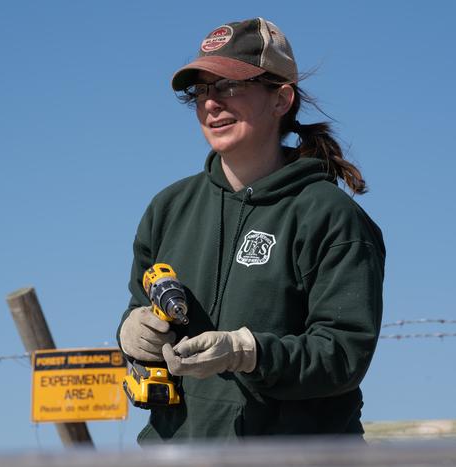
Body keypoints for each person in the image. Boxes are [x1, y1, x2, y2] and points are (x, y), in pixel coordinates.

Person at [117, 17, 385, 442]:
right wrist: (132, 334)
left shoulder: (329, 216)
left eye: (229, 87)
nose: (211, 104)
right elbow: (136, 309)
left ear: (281, 99)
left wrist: (248, 353)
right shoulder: (168, 209)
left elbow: (343, 355)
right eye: (201, 91)